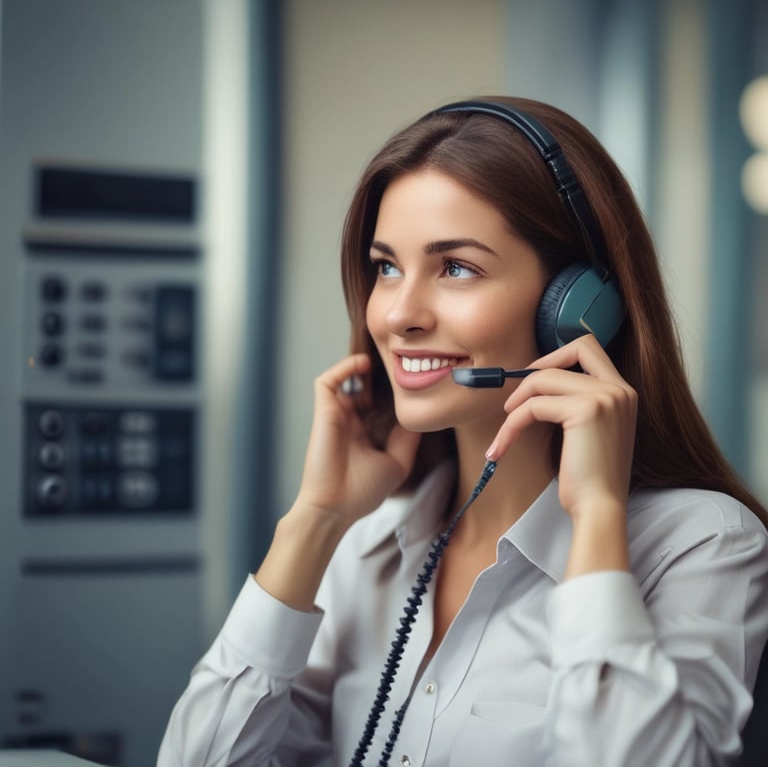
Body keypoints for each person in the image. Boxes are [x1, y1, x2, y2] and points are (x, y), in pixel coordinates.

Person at [157, 97, 768, 767]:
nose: (398, 315)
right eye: (387, 267)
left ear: (579, 307)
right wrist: (315, 520)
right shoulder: (366, 548)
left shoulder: (702, 543)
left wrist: (597, 516)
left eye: (455, 267)